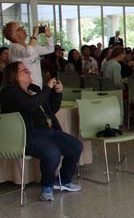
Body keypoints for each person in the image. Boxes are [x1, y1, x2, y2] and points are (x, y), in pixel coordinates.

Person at [0, 62, 83, 201]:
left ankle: (63, 180)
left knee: (75, 146)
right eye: (25, 70)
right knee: (52, 152)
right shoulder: (9, 92)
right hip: (28, 135)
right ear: (14, 75)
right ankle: (47, 187)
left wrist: (57, 93)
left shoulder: (34, 89)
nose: (29, 72)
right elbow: (29, 105)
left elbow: (51, 109)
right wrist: (47, 89)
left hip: (48, 131)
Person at [5, 23, 56, 87]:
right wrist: (35, 34)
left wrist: (48, 36)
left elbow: (50, 49)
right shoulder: (14, 48)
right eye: (19, 29)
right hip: (25, 87)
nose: (23, 29)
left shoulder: (29, 46)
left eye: (22, 27)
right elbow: (28, 52)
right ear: (13, 35)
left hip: (37, 85)